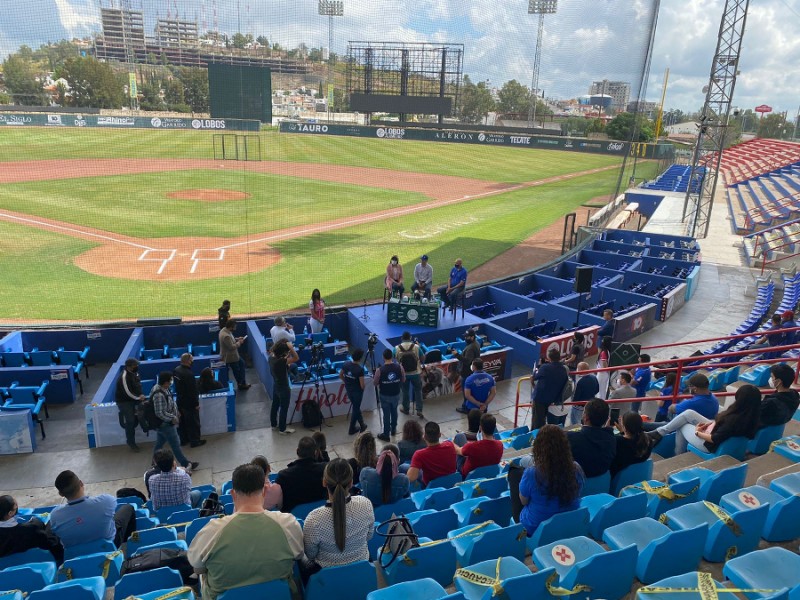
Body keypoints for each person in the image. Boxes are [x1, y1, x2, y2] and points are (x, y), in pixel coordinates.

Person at [187, 464, 304, 600]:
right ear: (265, 491)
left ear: (232, 494)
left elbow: (197, 567)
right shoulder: (288, 523)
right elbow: (299, 554)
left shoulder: (212, 530)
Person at [647, 384, 761, 455]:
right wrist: (712, 424)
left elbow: (714, 439)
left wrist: (698, 432)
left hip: (709, 444)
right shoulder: (751, 415)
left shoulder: (734, 419)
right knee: (689, 413)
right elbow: (724, 428)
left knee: (682, 425)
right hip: (717, 430)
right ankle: (659, 432)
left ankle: (679, 454)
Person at [303, 459, 375, 567]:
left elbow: (310, 554)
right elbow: (369, 536)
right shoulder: (366, 504)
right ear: (351, 483)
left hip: (326, 577)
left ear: (324, 482)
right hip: (362, 568)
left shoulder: (313, 519)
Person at [518, 425, 585, 537]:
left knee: (515, 473)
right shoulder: (576, 468)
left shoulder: (532, 473)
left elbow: (523, 501)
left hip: (536, 528)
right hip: (569, 523)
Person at [48, 470, 135, 549]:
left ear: (61, 494)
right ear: (81, 483)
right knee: (128, 508)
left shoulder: (55, 515)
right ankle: (128, 548)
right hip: (108, 549)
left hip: (75, 556)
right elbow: (114, 504)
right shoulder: (105, 501)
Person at [151, 371, 199, 472]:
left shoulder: (164, 388)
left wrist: (176, 412)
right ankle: (186, 464)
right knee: (176, 444)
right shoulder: (158, 394)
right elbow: (159, 412)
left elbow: (171, 402)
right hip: (166, 424)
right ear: (165, 382)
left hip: (164, 424)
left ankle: (154, 462)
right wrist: (173, 418)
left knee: (159, 443)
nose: (171, 382)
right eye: (170, 381)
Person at [0, 495, 63, 564]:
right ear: (10, 513)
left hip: (4, 564)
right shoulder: (30, 529)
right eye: (15, 506)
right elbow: (48, 542)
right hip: (33, 561)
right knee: (50, 524)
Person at [566, 398, 616, 478]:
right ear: (607, 419)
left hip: (576, 485)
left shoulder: (570, 438)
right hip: (602, 485)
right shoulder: (611, 439)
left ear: (586, 417)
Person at [276, 437, 328, 513]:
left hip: (293, 519)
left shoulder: (283, 476)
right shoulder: (326, 470)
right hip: (321, 513)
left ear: (297, 451)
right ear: (316, 453)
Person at [407, 421, 457, 487]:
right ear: (439, 435)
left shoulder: (419, 454)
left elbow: (411, 478)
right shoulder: (450, 445)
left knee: (403, 467)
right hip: (451, 483)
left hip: (431, 486)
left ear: (424, 437)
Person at [530, 348, 569, 429]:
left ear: (549, 358)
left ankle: (536, 438)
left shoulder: (545, 368)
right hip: (553, 400)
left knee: (538, 422)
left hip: (540, 399)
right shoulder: (564, 369)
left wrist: (538, 367)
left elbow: (535, 376)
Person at [173, 353, 206, 448]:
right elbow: (192, 391)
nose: (193, 361)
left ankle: (184, 440)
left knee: (182, 422)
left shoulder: (176, 370)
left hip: (180, 401)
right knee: (193, 423)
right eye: (192, 359)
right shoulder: (189, 374)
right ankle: (195, 441)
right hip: (189, 404)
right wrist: (196, 403)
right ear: (188, 361)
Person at [373, 348, 404, 442]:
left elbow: (375, 383)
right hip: (396, 394)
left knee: (386, 414)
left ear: (383, 357)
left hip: (384, 395)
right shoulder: (399, 367)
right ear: (392, 357)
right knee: (394, 411)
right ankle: (393, 429)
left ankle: (386, 434)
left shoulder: (380, 370)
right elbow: (403, 379)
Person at [269, 339, 299, 435]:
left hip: (276, 385)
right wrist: (291, 348)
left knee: (275, 405)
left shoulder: (271, 358)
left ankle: (273, 425)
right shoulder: (281, 361)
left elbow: (284, 359)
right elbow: (296, 358)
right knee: (284, 408)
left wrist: (287, 352)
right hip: (284, 387)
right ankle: (282, 429)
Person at [115, 357, 145, 452]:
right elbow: (127, 392)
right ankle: (131, 442)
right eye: (135, 365)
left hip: (135, 398)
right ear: (129, 367)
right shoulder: (124, 377)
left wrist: (140, 394)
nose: (137, 366)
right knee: (130, 421)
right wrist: (138, 398)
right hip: (124, 401)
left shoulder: (135, 373)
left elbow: (138, 385)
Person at [609, 412, 652, 477]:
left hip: (618, 480)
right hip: (638, 477)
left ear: (625, 427)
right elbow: (631, 441)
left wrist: (607, 430)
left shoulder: (617, 441)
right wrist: (623, 432)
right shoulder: (648, 440)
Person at [759, 363, 800, 428]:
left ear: (778, 382)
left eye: (772, 377)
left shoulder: (770, 403)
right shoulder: (795, 396)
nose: (770, 379)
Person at [395, 332, 425, 418]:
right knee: (418, 391)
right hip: (416, 373)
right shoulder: (416, 347)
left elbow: (395, 358)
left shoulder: (396, 348)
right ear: (410, 338)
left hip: (403, 374)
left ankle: (406, 409)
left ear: (401, 338)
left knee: (405, 391)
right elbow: (423, 359)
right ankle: (419, 410)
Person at [340, 348, 367, 435]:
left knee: (356, 408)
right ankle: (351, 429)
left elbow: (340, 375)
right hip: (357, 392)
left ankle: (362, 424)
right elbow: (362, 385)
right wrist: (362, 389)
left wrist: (346, 382)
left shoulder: (346, 364)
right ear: (360, 358)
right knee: (355, 409)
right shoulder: (359, 370)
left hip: (349, 390)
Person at [453, 329, 481, 412]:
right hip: (472, 372)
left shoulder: (471, 348)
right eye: (465, 336)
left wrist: (456, 354)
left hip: (467, 373)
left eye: (467, 337)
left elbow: (467, 361)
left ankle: (466, 408)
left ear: (472, 337)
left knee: (466, 392)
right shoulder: (476, 343)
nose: (465, 338)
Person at [219, 319, 251, 391]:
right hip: (231, 357)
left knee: (240, 366)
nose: (236, 328)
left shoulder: (224, 331)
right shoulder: (226, 335)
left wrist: (237, 339)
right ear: (231, 327)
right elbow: (231, 347)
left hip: (230, 356)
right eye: (235, 326)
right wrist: (239, 342)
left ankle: (241, 383)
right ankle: (241, 384)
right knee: (237, 370)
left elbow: (230, 340)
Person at [568, 362, 599, 426]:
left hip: (578, 407)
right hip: (589, 405)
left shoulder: (580, 381)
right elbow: (597, 390)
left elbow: (576, 397)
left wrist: (573, 402)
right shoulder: (594, 377)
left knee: (575, 424)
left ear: (580, 370)